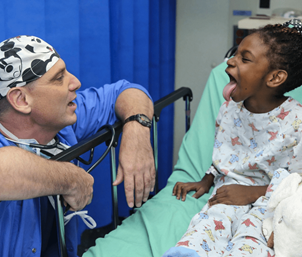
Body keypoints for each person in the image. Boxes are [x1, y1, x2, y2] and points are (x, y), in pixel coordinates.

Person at [0, 35, 155, 256]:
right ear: (21, 100)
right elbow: (5, 169)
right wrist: (70, 179)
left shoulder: (60, 122)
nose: (75, 83)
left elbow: (125, 92)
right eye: (59, 78)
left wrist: (137, 130)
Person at [162, 19, 302, 257]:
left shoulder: (295, 121)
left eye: (244, 59)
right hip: (227, 192)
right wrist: (207, 180)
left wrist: (254, 193)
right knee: (207, 223)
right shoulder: (229, 109)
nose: (230, 61)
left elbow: (296, 184)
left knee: (253, 237)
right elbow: (225, 155)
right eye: (235, 54)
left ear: (274, 78)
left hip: (271, 201)